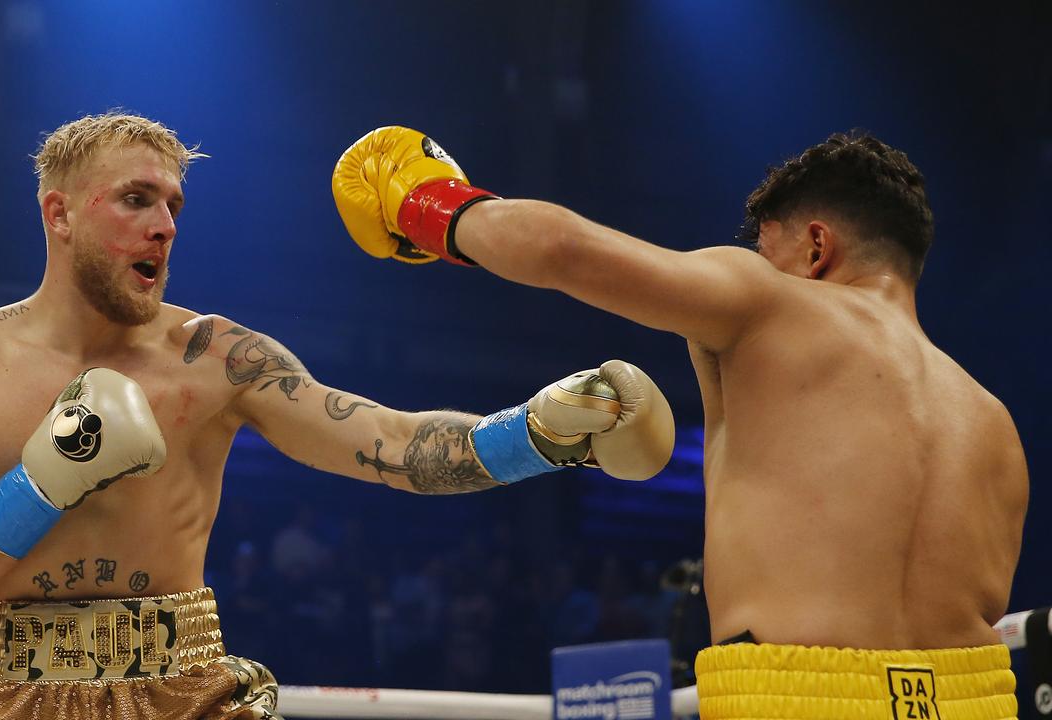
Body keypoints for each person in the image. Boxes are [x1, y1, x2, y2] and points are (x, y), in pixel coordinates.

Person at [0, 112, 676, 720]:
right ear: (58, 215)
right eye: (135, 199)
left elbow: (391, 444)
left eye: (173, 204)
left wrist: (536, 433)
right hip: (8, 696)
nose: (165, 224)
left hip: (184, 693)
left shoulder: (217, 356)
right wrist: (48, 477)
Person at [333, 127, 1029, 719]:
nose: (759, 266)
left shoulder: (770, 303)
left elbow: (564, 252)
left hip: (798, 697)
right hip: (978, 699)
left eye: (769, 248)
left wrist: (428, 204)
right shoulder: (995, 426)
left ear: (817, 246)